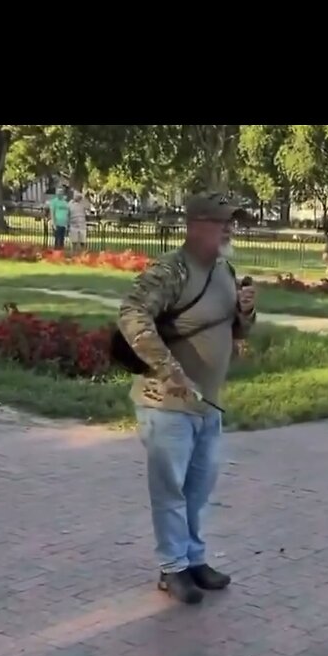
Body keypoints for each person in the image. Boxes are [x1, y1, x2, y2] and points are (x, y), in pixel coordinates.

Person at [117, 193, 257, 605]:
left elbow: (236, 332)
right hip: (166, 403)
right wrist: (168, 368)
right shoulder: (171, 270)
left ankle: (194, 559)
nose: (230, 228)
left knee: (198, 489)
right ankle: (173, 568)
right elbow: (131, 313)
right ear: (196, 225)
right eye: (223, 221)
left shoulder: (224, 270)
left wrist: (246, 312)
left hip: (207, 404)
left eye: (233, 221)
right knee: (171, 490)